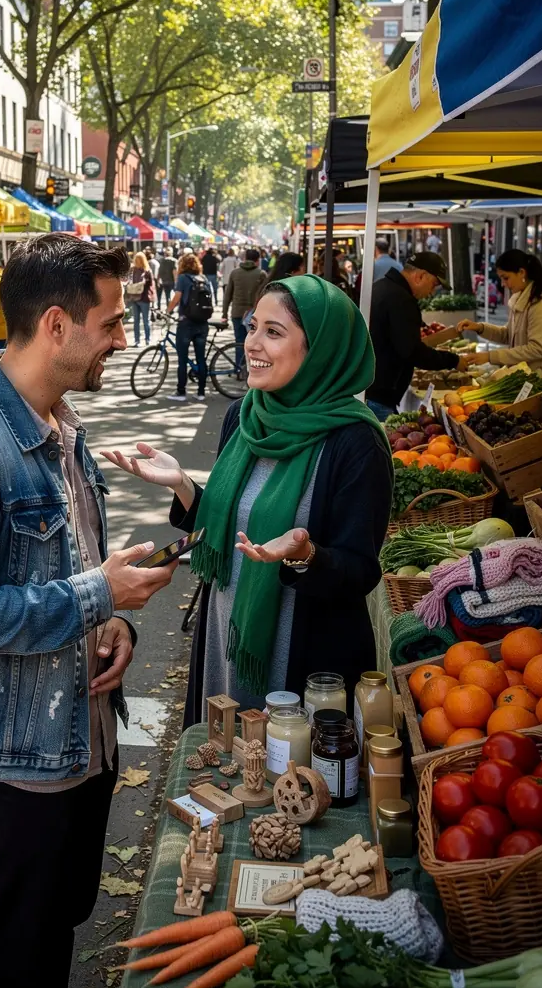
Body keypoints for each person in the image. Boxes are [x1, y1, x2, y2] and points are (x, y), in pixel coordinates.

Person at [0, 233, 176, 988]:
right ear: (56, 324)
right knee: (1, 965)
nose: (124, 338)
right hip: (5, 764)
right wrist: (96, 596)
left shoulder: (57, 421)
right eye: (112, 323)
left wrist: (109, 624)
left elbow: (61, 572)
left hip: (72, 741)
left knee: (46, 941)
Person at [102, 275, 393, 722]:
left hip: (300, 658)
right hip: (225, 637)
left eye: (273, 333)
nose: (251, 343)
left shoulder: (355, 442)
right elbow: (228, 526)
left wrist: (304, 556)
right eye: (252, 326)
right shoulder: (244, 416)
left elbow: (359, 571)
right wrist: (182, 485)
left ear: (319, 349)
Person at [366, 251, 469, 421]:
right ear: (420, 276)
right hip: (380, 394)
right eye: (434, 284)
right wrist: (453, 360)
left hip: (371, 388)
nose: (431, 292)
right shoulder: (401, 300)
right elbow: (412, 351)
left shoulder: (381, 287)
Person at [459, 249, 542, 396]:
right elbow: (508, 334)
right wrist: (479, 328)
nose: (503, 284)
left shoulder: (541, 303)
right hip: (529, 382)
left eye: (506, 278)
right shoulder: (520, 299)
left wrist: (490, 356)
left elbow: (537, 348)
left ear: (522, 273)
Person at [167, 251, 212, 402]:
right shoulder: (203, 278)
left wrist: (168, 311)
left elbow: (177, 297)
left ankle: (181, 392)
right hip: (202, 323)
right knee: (201, 358)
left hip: (186, 323)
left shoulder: (182, 278)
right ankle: (201, 392)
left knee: (182, 359)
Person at [223, 248, 266, 370]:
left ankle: (239, 368)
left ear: (245, 258)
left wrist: (224, 313)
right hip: (255, 315)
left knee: (239, 342)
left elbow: (228, 295)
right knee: (254, 344)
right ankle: (251, 370)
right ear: (258, 260)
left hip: (237, 312)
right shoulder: (261, 274)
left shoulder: (235, 273)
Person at [125, 251, 154, 347]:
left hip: (135, 297)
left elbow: (127, 282)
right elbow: (151, 286)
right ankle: (147, 340)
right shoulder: (147, 271)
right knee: (145, 320)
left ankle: (137, 341)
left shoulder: (132, 270)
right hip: (144, 298)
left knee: (137, 321)